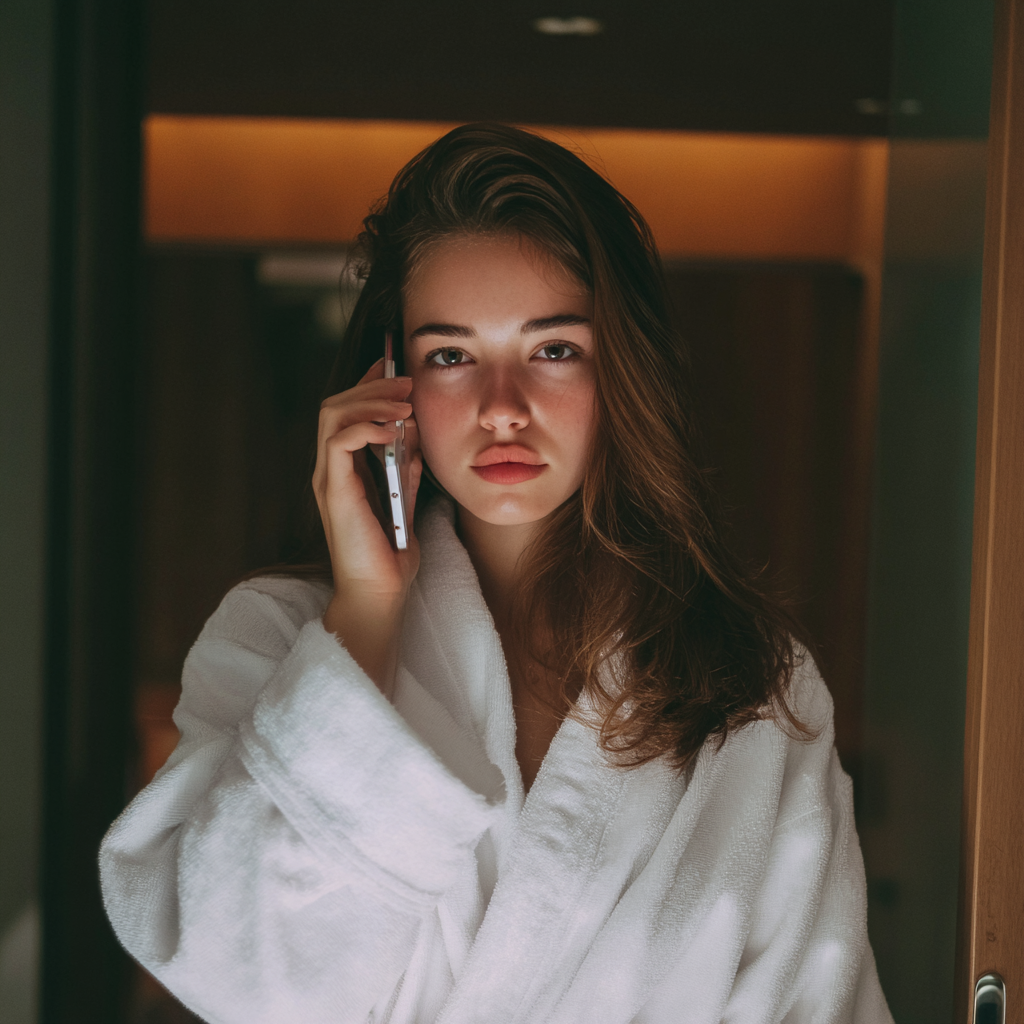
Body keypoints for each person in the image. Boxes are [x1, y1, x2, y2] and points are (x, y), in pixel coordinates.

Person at [100, 123, 893, 1023]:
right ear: (389, 384)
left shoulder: (751, 682)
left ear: (621, 371)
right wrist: (368, 606)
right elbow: (244, 978)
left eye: (553, 349)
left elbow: (820, 1003)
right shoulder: (275, 638)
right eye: (451, 355)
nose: (502, 409)